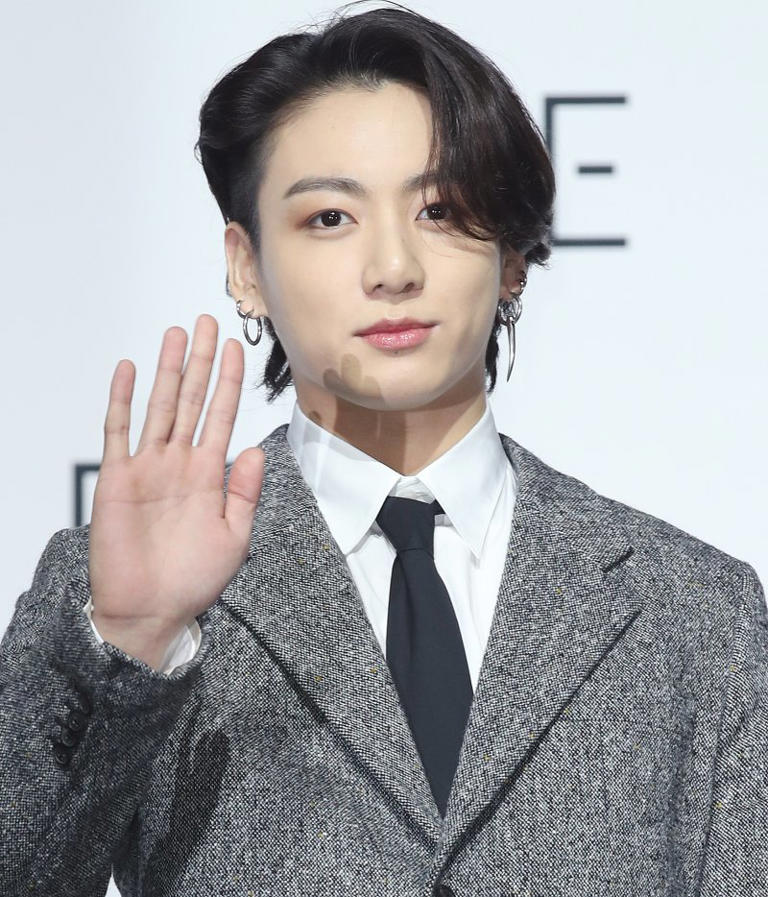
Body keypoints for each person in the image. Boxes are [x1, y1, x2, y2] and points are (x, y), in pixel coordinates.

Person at [1, 2, 766, 895]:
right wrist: (131, 646)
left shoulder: (696, 612)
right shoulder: (113, 590)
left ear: (513, 255)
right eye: (330, 217)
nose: (393, 268)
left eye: (440, 209)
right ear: (246, 266)